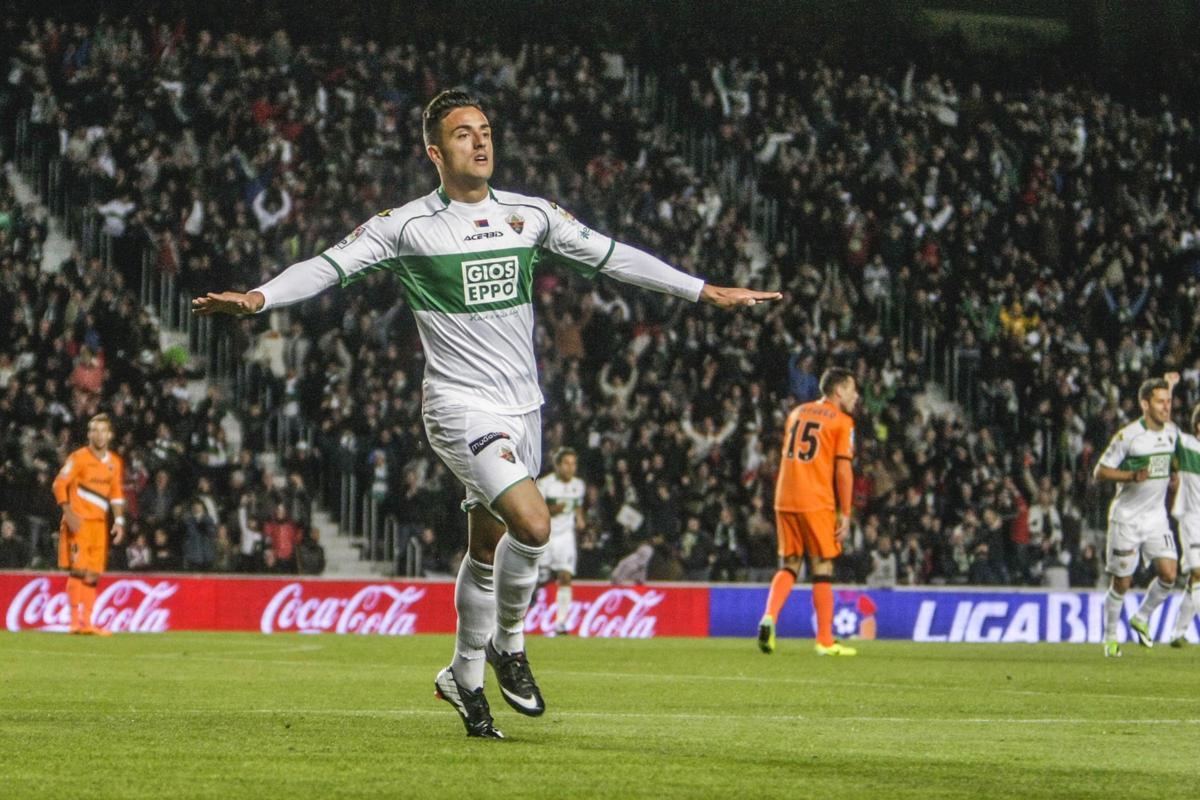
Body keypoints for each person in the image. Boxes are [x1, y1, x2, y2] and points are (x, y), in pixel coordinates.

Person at [193, 89, 779, 738]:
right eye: (465, 133)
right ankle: (509, 643)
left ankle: (464, 678)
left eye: (486, 130)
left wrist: (703, 290)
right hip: (457, 407)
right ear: (435, 153)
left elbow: (614, 255)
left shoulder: (530, 215)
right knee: (534, 524)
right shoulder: (406, 226)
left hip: (524, 409)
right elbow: (327, 267)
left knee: (486, 546)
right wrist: (258, 298)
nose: (481, 141)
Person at [758, 367, 859, 656]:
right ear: (838, 391)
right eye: (852, 389)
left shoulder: (797, 412)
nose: (856, 395)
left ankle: (769, 617)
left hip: (785, 498)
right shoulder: (842, 422)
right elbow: (843, 470)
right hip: (816, 500)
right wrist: (846, 512)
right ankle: (825, 641)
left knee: (790, 564)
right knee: (822, 567)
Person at [1093, 374, 1180, 657]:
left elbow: (1169, 459)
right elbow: (1100, 471)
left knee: (1169, 574)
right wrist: (1130, 475)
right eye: (1160, 402)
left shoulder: (1171, 432)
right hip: (1127, 518)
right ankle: (1110, 637)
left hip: (1156, 517)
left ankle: (1141, 617)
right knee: (1122, 583)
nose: (1166, 407)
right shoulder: (1129, 436)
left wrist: (1174, 476)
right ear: (1145, 405)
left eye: (1168, 402)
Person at [52, 413, 126, 635]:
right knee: (79, 570)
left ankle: (88, 623)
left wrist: (119, 521)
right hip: (79, 522)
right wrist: (68, 512)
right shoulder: (78, 458)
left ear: (110, 434)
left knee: (93, 573)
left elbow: (116, 494)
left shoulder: (114, 462)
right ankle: (74, 621)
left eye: (103, 430)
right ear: (89, 434)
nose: (99, 434)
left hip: (99, 525)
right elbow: (58, 484)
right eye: (94, 430)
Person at [536, 447, 586, 635]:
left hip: (566, 537)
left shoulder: (579, 485)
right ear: (557, 466)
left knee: (565, 577)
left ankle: (561, 623)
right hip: (547, 535)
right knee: (541, 578)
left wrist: (580, 519)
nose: (570, 468)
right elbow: (538, 511)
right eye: (566, 463)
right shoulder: (545, 484)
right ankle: (521, 609)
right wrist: (557, 508)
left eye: (573, 464)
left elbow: (578, 506)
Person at [1168, 403, 1200, 647]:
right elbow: (1165, 426)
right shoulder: (1189, 445)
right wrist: (1168, 389)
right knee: (1199, 573)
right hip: (1191, 518)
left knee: (1193, 581)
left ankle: (1178, 631)